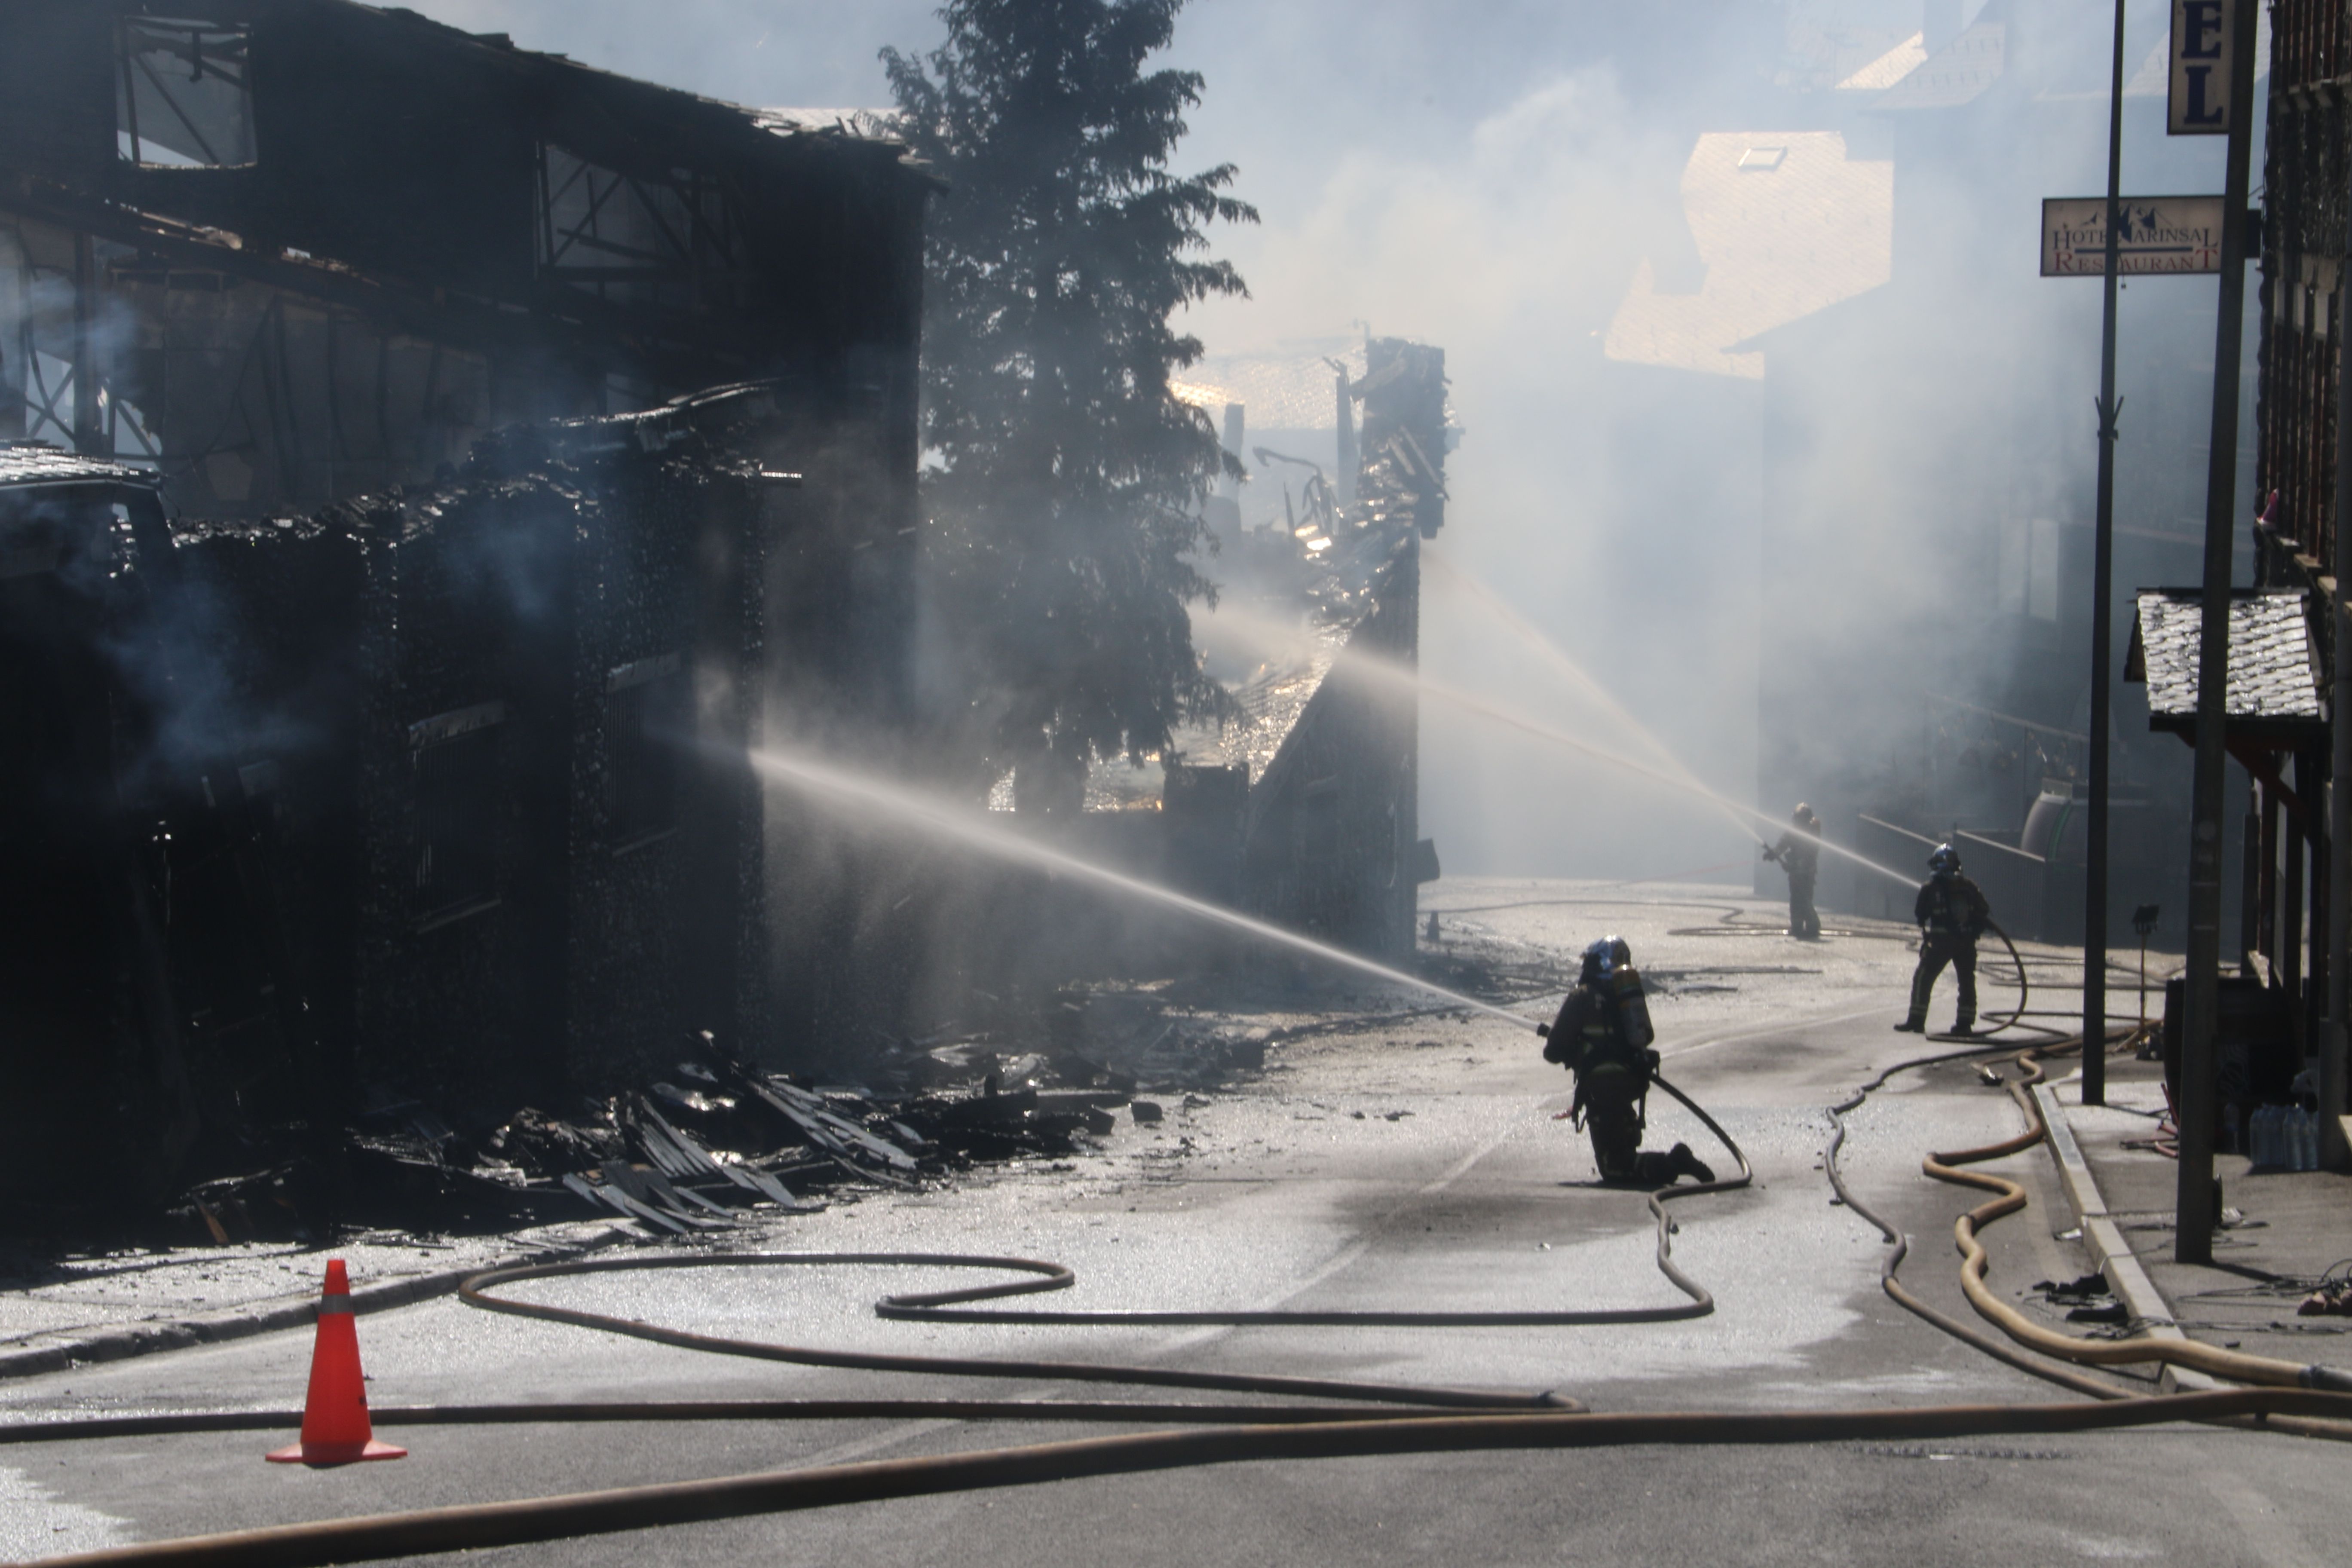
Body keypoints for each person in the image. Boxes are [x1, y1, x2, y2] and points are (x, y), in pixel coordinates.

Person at [1541, 937, 1714, 1186]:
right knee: (1623, 1156)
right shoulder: (1623, 995)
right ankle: (1669, 1160)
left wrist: (1572, 1046)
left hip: (1602, 1087)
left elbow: (1553, 1052)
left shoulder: (1582, 997)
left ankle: (1676, 1161)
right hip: (1632, 1081)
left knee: (1617, 1171)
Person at [1895, 843, 1992, 1035]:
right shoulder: (1969, 887)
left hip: (1941, 944)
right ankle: (1965, 1024)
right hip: (1966, 944)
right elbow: (1984, 912)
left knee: (1923, 977)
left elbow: (1920, 915)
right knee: (1966, 983)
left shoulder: (1930, 889)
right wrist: (1971, 931)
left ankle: (1916, 1020)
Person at [1763, 804, 1823, 940]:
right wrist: (1773, 854)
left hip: (1807, 872)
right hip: (1797, 872)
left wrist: (1794, 864)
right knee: (1796, 899)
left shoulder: (1812, 833)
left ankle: (1813, 927)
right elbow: (1782, 845)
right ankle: (1797, 928)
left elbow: (1810, 853)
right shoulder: (1793, 832)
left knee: (1804, 899)